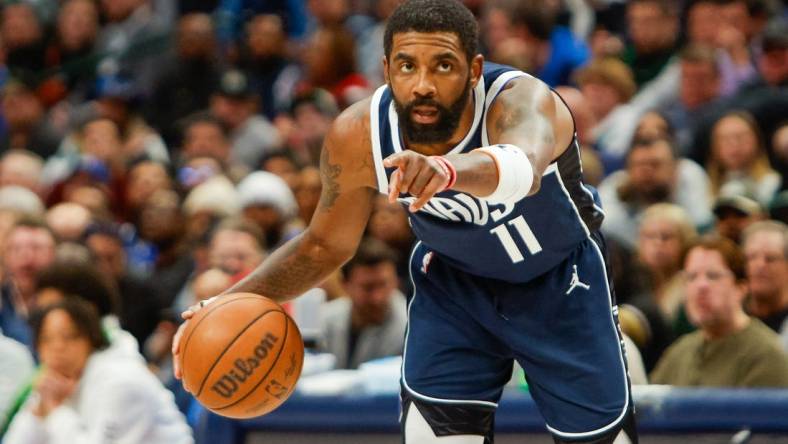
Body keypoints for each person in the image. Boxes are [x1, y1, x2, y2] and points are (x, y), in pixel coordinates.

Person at [173, 1, 637, 442]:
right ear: (387, 69)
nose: (423, 85)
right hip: (456, 288)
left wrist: (449, 171)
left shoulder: (521, 99)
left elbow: (521, 169)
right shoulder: (359, 134)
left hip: (559, 282)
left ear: (473, 70)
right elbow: (323, 246)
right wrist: (221, 305)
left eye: (443, 65)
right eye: (407, 65)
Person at [4, 299, 193, 444]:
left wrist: (54, 411)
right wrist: (38, 410)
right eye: (47, 339)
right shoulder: (56, 382)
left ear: (91, 339)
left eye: (69, 337)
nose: (57, 347)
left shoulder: (121, 380)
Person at [649, 236, 788, 387]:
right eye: (691, 277)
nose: (701, 286)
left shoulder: (765, 355)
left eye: (713, 276)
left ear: (740, 289)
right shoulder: (679, 352)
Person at [318, 237, 407, 369]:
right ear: (345, 285)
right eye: (368, 288)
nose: (378, 297)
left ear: (396, 282)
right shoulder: (324, 319)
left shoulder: (410, 327)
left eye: (384, 285)